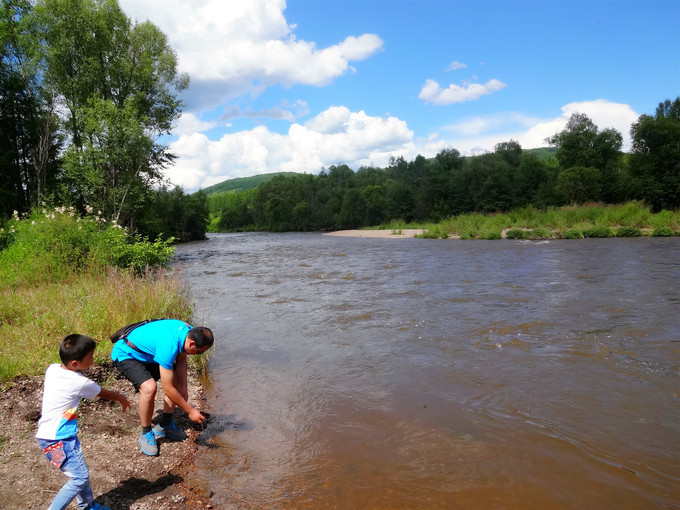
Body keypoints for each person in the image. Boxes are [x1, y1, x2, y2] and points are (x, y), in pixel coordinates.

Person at [36, 334, 131, 510]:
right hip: (60, 438)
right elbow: (104, 393)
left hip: (47, 435)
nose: (93, 359)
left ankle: (87, 506)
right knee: (79, 478)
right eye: (90, 357)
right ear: (75, 363)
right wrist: (121, 398)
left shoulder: (53, 369)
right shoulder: (80, 382)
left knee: (79, 471)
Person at [110, 319, 213, 456]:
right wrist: (189, 411)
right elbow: (168, 388)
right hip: (126, 354)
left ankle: (165, 425)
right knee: (149, 388)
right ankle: (146, 433)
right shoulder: (168, 346)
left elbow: (181, 358)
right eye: (199, 352)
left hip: (148, 354)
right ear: (192, 343)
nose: (199, 355)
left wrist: (184, 387)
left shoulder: (189, 332)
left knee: (176, 379)